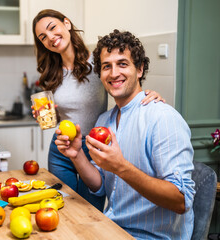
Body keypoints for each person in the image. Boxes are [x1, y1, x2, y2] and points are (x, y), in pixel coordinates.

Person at [55, 29, 195, 239]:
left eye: (122, 64)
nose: (113, 73)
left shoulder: (163, 118)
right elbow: (100, 185)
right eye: (106, 66)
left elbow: (181, 201)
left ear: (139, 69)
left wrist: (121, 166)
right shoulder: (104, 121)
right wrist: (77, 155)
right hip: (112, 229)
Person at [32, 9, 165, 211]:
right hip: (63, 148)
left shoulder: (98, 64)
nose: (50, 37)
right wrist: (46, 115)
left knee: (89, 211)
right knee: (62, 208)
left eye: (53, 28)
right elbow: (64, 113)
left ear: (66, 23)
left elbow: (122, 82)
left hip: (95, 146)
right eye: (43, 37)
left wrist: (147, 94)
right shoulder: (51, 72)